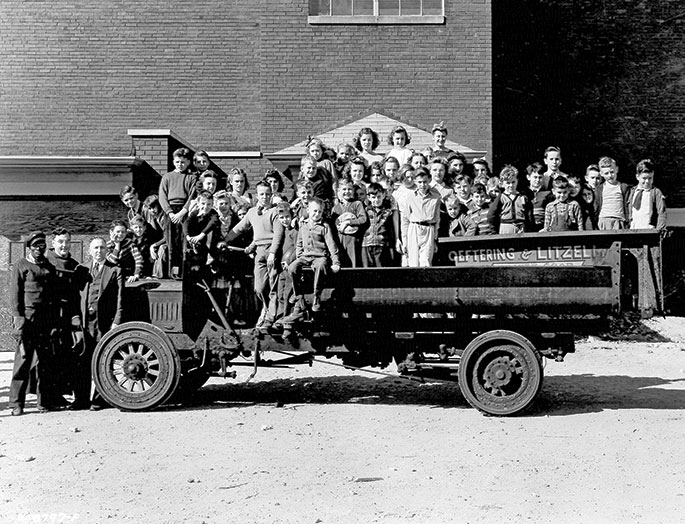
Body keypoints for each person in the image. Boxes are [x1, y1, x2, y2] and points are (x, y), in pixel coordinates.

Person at [9, 231, 59, 415]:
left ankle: (43, 402)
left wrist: (54, 323)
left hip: (45, 322)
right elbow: (14, 295)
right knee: (22, 361)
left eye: (42, 245)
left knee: (44, 363)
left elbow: (53, 297)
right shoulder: (21, 265)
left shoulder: (49, 267)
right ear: (29, 247)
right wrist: (18, 319)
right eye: (36, 245)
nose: (39, 249)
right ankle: (16, 404)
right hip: (27, 320)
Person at [225, 181, 284, 327]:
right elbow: (239, 228)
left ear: (272, 195)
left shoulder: (275, 212)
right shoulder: (252, 213)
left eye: (268, 194)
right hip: (259, 253)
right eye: (262, 194)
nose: (265, 197)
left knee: (272, 287)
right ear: (257, 196)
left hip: (272, 253)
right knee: (259, 288)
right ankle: (266, 308)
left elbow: (278, 235)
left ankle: (270, 318)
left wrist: (272, 253)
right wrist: (224, 240)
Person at [80, 237, 124, 410]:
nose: (99, 251)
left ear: (107, 250)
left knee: (103, 361)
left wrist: (117, 321)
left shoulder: (115, 270)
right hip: (85, 323)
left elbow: (121, 299)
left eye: (102, 248)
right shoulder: (82, 270)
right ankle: (82, 399)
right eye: (95, 248)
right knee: (83, 361)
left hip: (104, 323)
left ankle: (99, 399)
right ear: (90, 251)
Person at [46, 228, 88, 406]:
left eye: (67, 242)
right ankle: (51, 396)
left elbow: (78, 294)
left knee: (71, 355)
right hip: (50, 316)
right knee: (50, 357)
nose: (64, 245)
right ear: (53, 243)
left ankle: (67, 394)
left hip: (70, 315)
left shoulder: (74, 264)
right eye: (60, 242)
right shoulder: (46, 263)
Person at [288, 198, 341, 312]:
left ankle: (317, 296)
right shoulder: (303, 225)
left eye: (320, 212)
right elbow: (299, 242)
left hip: (319, 256)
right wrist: (299, 256)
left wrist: (336, 262)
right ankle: (298, 293)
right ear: (308, 210)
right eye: (314, 211)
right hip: (305, 257)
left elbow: (331, 245)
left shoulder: (324, 227)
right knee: (292, 268)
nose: (317, 214)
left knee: (321, 266)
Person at [159, 147, 196, 278]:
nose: (180, 164)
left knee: (183, 241)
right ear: (173, 161)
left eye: (183, 162)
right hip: (170, 212)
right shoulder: (167, 177)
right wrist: (170, 213)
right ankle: (171, 273)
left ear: (188, 162)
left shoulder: (191, 178)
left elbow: (192, 196)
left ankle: (183, 272)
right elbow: (162, 196)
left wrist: (182, 212)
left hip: (184, 211)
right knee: (171, 242)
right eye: (177, 162)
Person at [399, 167, 441, 267]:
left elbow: (437, 220)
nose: (422, 185)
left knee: (425, 262)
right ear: (415, 181)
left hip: (428, 229)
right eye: (420, 182)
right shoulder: (410, 196)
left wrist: (435, 239)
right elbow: (405, 220)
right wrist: (405, 241)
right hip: (414, 228)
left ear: (430, 180)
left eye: (425, 182)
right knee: (413, 262)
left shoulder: (436, 197)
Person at [332, 178, 367, 267]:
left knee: (354, 263)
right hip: (340, 240)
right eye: (344, 189)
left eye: (349, 189)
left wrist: (348, 222)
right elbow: (333, 225)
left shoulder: (357, 204)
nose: (347, 191)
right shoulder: (336, 208)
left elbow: (363, 219)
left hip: (353, 240)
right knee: (342, 263)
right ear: (339, 191)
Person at [490, 165, 532, 234]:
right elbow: (491, 215)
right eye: (508, 183)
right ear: (502, 183)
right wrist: (494, 230)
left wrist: (528, 228)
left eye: (513, 182)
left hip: (521, 228)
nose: (511, 185)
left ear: (517, 181)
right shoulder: (501, 197)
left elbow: (529, 215)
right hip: (506, 227)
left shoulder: (523, 197)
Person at [626, 159, 667, 230]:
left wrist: (659, 230)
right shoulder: (631, 192)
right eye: (644, 178)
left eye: (650, 178)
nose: (647, 181)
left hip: (649, 230)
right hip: (633, 229)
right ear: (637, 177)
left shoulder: (656, 192)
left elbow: (662, 212)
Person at [361, 183, 395, 267]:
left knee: (380, 270)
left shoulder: (388, 212)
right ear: (369, 197)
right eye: (373, 197)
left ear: (383, 195)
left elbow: (390, 231)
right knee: (367, 270)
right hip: (366, 244)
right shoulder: (365, 210)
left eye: (379, 196)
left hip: (381, 245)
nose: (376, 199)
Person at [183, 190, 220, 267]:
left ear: (212, 204)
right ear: (198, 204)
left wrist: (201, 235)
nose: (205, 207)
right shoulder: (195, 213)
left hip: (206, 243)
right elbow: (186, 223)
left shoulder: (213, 214)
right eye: (203, 204)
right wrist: (188, 236)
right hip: (193, 241)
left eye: (209, 204)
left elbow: (212, 223)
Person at [596, 156, 630, 230]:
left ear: (616, 170)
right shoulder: (599, 189)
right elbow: (597, 206)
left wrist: (627, 221)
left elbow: (627, 206)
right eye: (606, 173)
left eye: (612, 172)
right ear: (601, 173)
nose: (610, 175)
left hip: (619, 220)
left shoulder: (623, 187)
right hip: (604, 220)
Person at [142, 195, 168, 278]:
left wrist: (154, 245)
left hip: (171, 241)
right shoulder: (155, 217)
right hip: (164, 240)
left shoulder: (164, 218)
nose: (152, 210)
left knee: (161, 249)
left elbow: (167, 236)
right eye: (149, 209)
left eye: (153, 207)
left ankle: (158, 275)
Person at [525, 162, 553, 232]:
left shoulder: (548, 193)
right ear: (528, 177)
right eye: (535, 177)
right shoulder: (524, 193)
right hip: (527, 227)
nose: (537, 180)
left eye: (540, 177)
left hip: (543, 227)